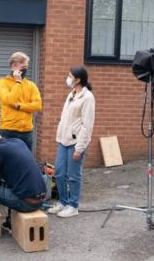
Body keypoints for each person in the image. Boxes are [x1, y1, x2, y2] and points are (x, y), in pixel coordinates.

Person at [47, 66, 95, 218]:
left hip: (75, 142)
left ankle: (73, 205)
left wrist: (79, 148)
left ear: (78, 79)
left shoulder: (88, 98)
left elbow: (87, 126)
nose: (67, 78)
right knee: (59, 172)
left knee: (73, 176)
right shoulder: (71, 94)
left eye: (70, 76)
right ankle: (63, 201)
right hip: (63, 140)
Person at [0, 51, 42, 151]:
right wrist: (18, 82)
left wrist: (19, 106)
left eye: (26, 67)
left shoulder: (31, 85)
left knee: (24, 163)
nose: (25, 70)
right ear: (13, 66)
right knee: (7, 162)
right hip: (8, 130)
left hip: (26, 131)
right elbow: (9, 100)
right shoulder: (2, 83)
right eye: (22, 67)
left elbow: (38, 105)